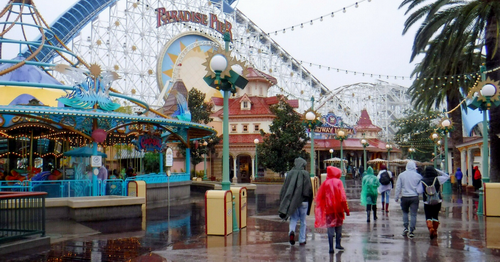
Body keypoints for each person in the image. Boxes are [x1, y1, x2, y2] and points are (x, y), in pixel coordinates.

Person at [278, 157, 313, 246]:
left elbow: (285, 187)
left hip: (293, 201)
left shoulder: (290, 173)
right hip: (304, 201)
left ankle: (292, 232)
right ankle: (302, 240)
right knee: (303, 221)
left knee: (293, 219)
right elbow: (309, 189)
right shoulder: (306, 173)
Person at [315, 166, 350, 253]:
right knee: (339, 226)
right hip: (339, 208)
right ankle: (338, 243)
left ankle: (331, 247)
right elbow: (343, 197)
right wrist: (346, 210)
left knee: (330, 227)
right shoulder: (339, 182)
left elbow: (320, 197)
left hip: (328, 209)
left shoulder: (325, 183)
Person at [417, 166, 450, 239]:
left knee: (428, 216)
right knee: (435, 216)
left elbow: (418, 191)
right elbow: (447, 176)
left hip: (427, 201)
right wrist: (438, 170)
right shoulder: (438, 179)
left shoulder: (422, 181)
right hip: (437, 201)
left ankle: (430, 228)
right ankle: (435, 230)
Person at [394, 160, 422, 238]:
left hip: (405, 197)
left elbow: (398, 187)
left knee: (405, 213)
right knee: (413, 214)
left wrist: (396, 197)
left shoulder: (401, 175)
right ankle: (412, 230)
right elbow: (421, 187)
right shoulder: (418, 176)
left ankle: (405, 227)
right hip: (414, 197)